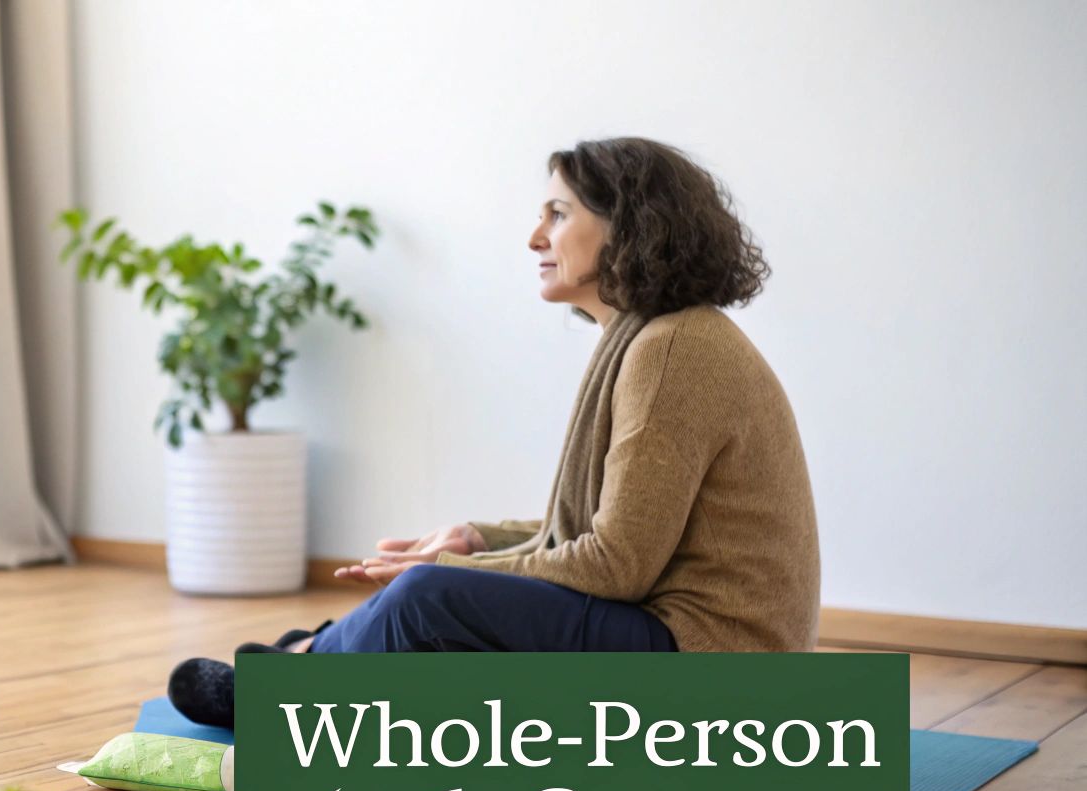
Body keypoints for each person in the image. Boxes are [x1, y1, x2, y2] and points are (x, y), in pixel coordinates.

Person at [169, 137, 820, 728]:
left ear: (630, 226)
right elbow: (622, 532)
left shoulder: (670, 350)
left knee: (430, 592)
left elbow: (616, 565)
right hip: (691, 640)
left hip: (718, 667)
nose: (535, 237)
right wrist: (482, 539)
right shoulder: (667, 337)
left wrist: (462, 565)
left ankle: (292, 682)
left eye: (558, 215)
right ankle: (315, 655)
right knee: (443, 592)